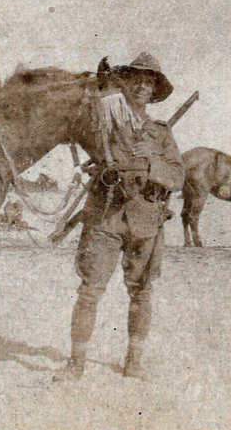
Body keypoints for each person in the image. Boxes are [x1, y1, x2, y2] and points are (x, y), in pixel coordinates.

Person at [54, 53, 185, 381]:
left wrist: (152, 163)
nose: (141, 87)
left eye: (148, 82)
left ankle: (133, 363)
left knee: (141, 292)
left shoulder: (161, 133)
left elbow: (177, 177)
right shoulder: (105, 120)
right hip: (105, 216)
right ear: (125, 85)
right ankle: (76, 364)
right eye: (136, 80)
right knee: (89, 291)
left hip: (146, 220)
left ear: (154, 91)